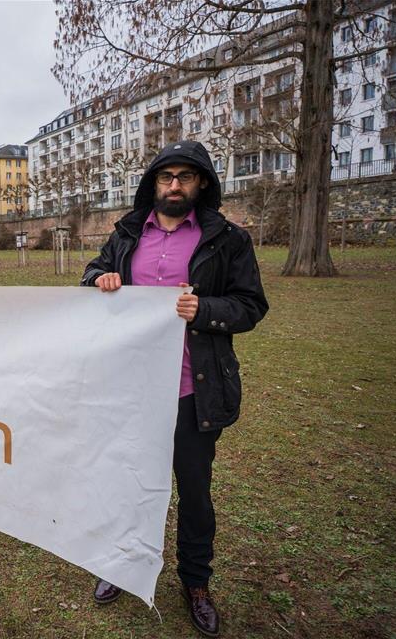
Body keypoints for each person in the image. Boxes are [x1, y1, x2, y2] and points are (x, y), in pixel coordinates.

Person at [82, 140, 268, 637]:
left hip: (192, 388)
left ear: (201, 182)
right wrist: (100, 279)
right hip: (131, 387)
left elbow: (251, 305)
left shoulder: (227, 239)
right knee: (127, 480)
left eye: (185, 176)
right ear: (154, 182)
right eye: (166, 176)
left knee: (194, 492)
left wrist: (204, 310)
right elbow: (91, 274)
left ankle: (196, 582)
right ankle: (122, 561)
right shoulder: (127, 232)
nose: (174, 185)